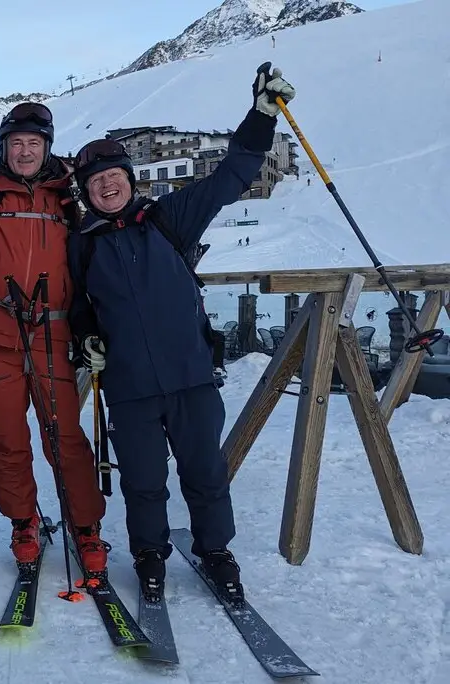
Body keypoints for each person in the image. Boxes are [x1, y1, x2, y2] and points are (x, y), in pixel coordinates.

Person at [66, 64, 297, 605]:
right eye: (96, 181)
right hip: (129, 386)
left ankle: (216, 551)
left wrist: (261, 116)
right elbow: (76, 304)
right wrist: (86, 338)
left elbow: (231, 176)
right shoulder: (83, 244)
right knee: (143, 481)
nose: (107, 184)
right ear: (86, 192)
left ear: (129, 178)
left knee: (204, 472)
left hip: (190, 375)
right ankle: (150, 554)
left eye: (114, 176)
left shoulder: (169, 218)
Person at [0, 34, 109, 577]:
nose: (25, 150)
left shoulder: (67, 199)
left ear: (46, 146)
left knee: (67, 440)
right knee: (7, 440)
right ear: (5, 147)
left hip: (54, 337)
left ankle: (86, 528)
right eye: (16, 142)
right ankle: (23, 524)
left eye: (34, 142)